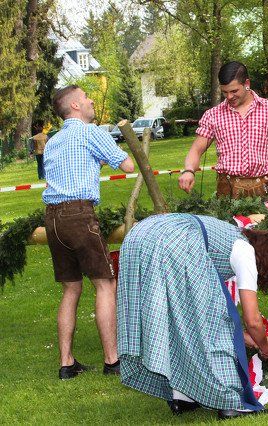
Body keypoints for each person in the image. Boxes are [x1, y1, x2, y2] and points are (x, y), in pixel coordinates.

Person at [117, 214, 268, 418]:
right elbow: (252, 320)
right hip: (175, 240)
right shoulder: (245, 250)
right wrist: (265, 347)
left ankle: (182, 396)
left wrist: (242, 336)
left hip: (139, 236)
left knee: (174, 319)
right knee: (214, 324)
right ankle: (229, 402)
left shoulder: (227, 237)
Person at [42, 85, 135, 380]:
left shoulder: (53, 141)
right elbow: (128, 165)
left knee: (71, 289)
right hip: (79, 215)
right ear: (75, 106)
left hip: (52, 219)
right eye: (86, 97)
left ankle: (66, 363)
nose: (91, 100)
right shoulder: (91, 132)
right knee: (105, 284)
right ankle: (112, 360)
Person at [178, 61, 268, 198]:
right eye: (225, 92)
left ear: (247, 84)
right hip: (226, 189)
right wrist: (189, 171)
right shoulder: (213, 115)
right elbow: (196, 149)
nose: (229, 97)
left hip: (263, 188)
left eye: (234, 91)